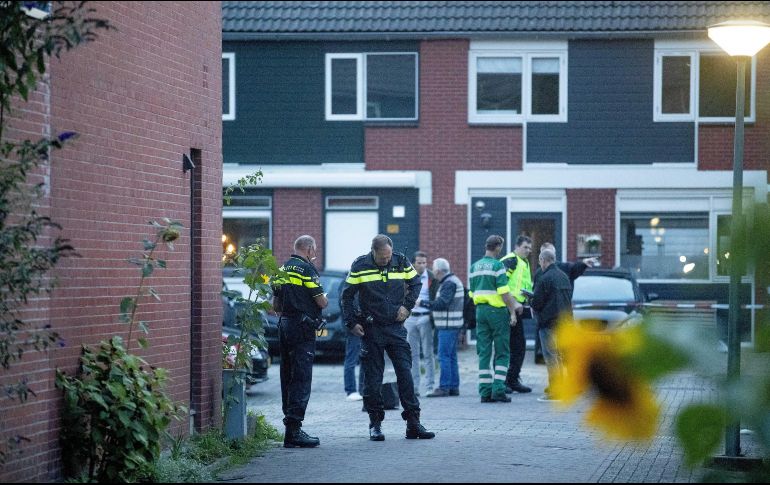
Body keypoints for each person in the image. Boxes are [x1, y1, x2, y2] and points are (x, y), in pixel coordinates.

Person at [341, 234, 435, 441]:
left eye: (388, 256)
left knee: (405, 373)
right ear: (373, 252)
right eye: (382, 257)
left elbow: (416, 283)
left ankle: (413, 423)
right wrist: (352, 323)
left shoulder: (400, 261)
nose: (386, 260)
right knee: (373, 379)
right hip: (372, 329)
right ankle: (375, 424)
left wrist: (407, 307)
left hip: (395, 327)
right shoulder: (360, 266)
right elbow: (346, 296)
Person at [272, 235, 328, 448]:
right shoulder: (307, 270)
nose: (315, 253)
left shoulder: (281, 269)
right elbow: (321, 301)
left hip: (284, 326)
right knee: (302, 377)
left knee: (287, 375)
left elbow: (275, 305)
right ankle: (294, 431)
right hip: (303, 328)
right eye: (314, 250)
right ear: (310, 249)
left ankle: (289, 429)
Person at [469, 235, 518, 403]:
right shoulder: (498, 266)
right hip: (497, 312)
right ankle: (498, 389)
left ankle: (485, 392)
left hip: (480, 311)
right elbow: (504, 292)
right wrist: (512, 312)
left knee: (484, 352)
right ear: (497, 247)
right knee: (502, 352)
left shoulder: (474, 267)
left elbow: (471, 293)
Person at [531, 242, 597, 363]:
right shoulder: (542, 273)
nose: (551, 257)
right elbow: (537, 294)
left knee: (555, 356)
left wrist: (583, 264)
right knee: (554, 355)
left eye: (553, 254)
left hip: (554, 319)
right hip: (552, 319)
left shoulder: (562, 269)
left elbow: (574, 268)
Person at [530, 248, 573, 402]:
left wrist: (529, 299)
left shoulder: (544, 278)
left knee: (551, 358)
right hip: (564, 322)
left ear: (543, 260)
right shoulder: (564, 277)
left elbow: (537, 303)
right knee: (560, 356)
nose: (540, 264)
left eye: (540, 261)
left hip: (548, 323)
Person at [418, 258, 464, 397]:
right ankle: (453, 387)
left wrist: (422, 303)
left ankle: (444, 387)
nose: (432, 272)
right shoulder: (452, 281)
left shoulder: (448, 283)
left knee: (443, 356)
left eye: (433, 269)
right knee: (451, 356)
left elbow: (441, 304)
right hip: (452, 325)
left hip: (447, 326)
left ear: (438, 271)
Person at [499, 235, 534, 394]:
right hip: (507, 308)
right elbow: (501, 285)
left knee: (519, 346)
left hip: (517, 308)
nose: (528, 250)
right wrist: (513, 304)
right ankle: (503, 381)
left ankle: (512, 379)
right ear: (517, 246)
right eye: (525, 247)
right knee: (506, 346)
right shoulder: (511, 260)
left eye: (530, 248)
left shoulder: (524, 262)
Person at [404, 251, 437, 397]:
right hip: (410, 318)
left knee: (428, 353)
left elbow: (436, 296)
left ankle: (430, 386)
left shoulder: (432, 277)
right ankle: (415, 387)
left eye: (424, 262)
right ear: (413, 264)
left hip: (426, 317)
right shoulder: (407, 276)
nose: (423, 265)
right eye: (419, 263)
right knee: (412, 354)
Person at [340, 276, 365, 401]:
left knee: (363, 359)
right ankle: (351, 390)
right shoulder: (349, 282)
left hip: (361, 325)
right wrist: (352, 324)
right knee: (352, 359)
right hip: (354, 326)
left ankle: (362, 389)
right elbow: (347, 304)